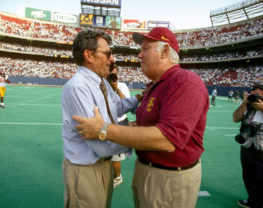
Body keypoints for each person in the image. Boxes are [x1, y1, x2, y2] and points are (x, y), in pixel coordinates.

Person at [73, 27, 209, 208]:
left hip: (168, 176)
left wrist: (103, 129)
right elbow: (148, 125)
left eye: (145, 48)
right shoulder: (157, 85)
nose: (139, 55)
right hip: (150, 170)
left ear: (165, 51)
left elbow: (167, 139)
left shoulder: (184, 82)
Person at [61, 30, 141, 208]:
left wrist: (139, 98)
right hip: (87, 169)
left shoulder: (102, 81)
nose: (112, 59)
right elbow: (100, 145)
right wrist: (142, 134)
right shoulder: (78, 87)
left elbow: (117, 106)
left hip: (104, 165)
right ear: (88, 55)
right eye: (107, 53)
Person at [233, 84, 263, 208]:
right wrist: (244, 103)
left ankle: (258, 205)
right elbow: (235, 118)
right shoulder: (248, 105)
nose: (254, 99)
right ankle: (252, 201)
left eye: (258, 96)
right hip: (248, 147)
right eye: (252, 95)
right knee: (248, 178)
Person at [107, 64, 131, 188]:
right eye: (110, 73)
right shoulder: (101, 86)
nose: (112, 76)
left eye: (114, 74)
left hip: (119, 123)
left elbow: (128, 105)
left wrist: (116, 89)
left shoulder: (122, 86)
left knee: (115, 157)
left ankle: (117, 177)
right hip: (105, 123)